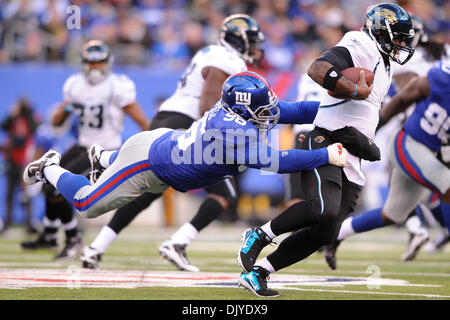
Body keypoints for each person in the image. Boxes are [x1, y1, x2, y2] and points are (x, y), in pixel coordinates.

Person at [22, 72, 348, 271]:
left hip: (161, 152)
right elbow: (282, 161)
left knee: (127, 186)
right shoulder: (232, 131)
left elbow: (296, 110)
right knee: (87, 205)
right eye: (261, 110)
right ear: (243, 110)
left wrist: (346, 111)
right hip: (147, 164)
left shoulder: (242, 112)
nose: (269, 115)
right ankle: (50, 166)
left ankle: (104, 158)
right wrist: (325, 155)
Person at [236, 3, 415, 297]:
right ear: (381, 31)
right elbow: (318, 68)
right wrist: (352, 88)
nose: (401, 44)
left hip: (352, 150)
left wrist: (368, 140)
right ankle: (260, 234)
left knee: (327, 231)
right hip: (327, 139)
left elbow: (367, 112)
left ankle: (260, 273)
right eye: (397, 37)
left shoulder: (386, 62)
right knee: (324, 208)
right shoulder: (361, 43)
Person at [79, 14, 264, 271]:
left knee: (145, 190)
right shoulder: (228, 60)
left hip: (170, 117)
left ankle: (95, 249)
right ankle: (176, 243)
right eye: (253, 41)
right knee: (224, 194)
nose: (256, 47)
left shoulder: (211, 52)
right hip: (183, 124)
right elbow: (208, 105)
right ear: (239, 40)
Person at [20, 40, 150, 259]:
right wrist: (68, 107)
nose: (95, 67)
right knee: (47, 180)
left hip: (103, 149)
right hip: (82, 144)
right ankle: (51, 234)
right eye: (91, 63)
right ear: (83, 63)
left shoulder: (118, 85)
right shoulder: (75, 85)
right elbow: (56, 120)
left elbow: (140, 119)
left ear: (107, 63)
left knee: (56, 188)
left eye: (99, 62)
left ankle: (73, 238)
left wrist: (151, 142)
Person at [323, 58, 450, 269]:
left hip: (431, 153)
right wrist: (373, 130)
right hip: (409, 144)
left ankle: (335, 234)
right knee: (448, 186)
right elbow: (403, 99)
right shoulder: (442, 78)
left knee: (393, 214)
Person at [0, 97, 39, 234]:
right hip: (12, 161)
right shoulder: (13, 120)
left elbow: (32, 130)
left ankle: (29, 223)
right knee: (10, 195)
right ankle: (7, 223)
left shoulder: (30, 118)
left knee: (26, 195)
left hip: (25, 161)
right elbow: (3, 125)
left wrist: (27, 110)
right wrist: (12, 114)